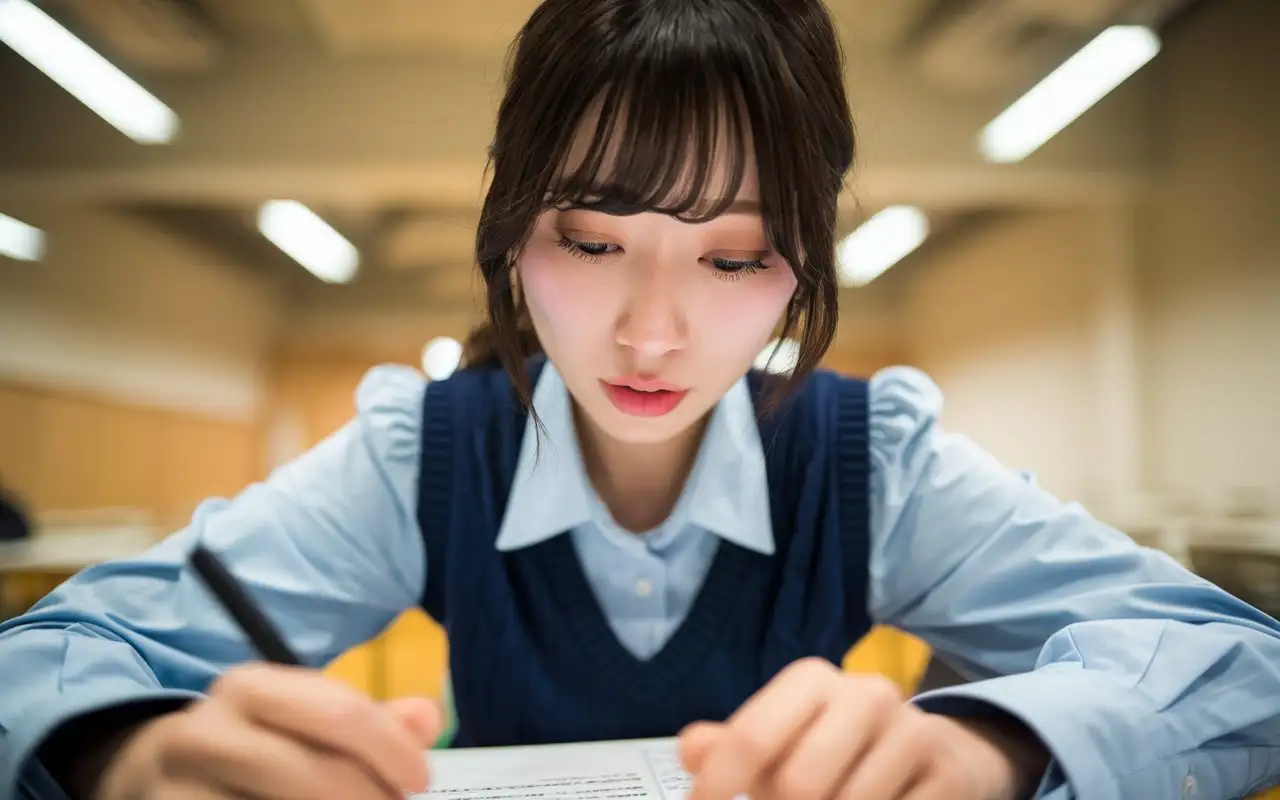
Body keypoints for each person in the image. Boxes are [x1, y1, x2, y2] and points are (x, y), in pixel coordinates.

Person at [2, 1, 1279, 798]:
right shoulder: (423, 454)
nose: (652, 332)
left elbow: (1245, 664)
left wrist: (988, 745)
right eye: (591, 239)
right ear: (509, 231)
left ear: (801, 267)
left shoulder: (867, 458)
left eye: (734, 259)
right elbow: (46, 662)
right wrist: (123, 751)